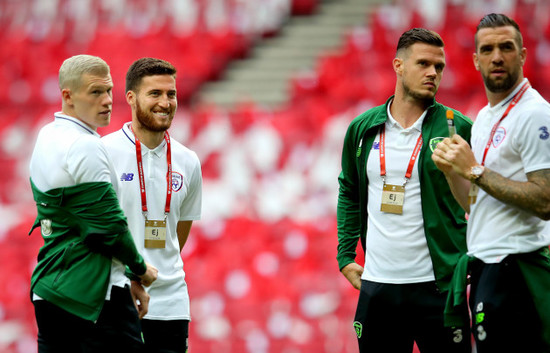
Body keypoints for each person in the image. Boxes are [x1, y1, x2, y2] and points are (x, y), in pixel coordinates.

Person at [336, 28, 472, 353]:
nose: (433, 73)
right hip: (378, 288)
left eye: (439, 67)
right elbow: (349, 190)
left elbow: (480, 198)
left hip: (438, 288)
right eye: (424, 63)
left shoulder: (458, 126)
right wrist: (344, 255)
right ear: (398, 65)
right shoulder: (362, 127)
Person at [432, 13, 550, 353]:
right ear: (476, 59)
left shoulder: (535, 115)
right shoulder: (484, 117)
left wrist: (475, 171)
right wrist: (452, 172)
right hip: (488, 267)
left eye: (506, 47)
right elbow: (475, 203)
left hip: (515, 271)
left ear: (523, 55)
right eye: (487, 49)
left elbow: (545, 201)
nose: (497, 56)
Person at [28, 54, 158, 353]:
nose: (108, 100)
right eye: (96, 92)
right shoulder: (85, 146)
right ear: (68, 96)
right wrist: (139, 270)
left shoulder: (47, 136)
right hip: (91, 298)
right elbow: (108, 228)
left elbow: (79, 219)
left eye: (109, 90)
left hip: (49, 291)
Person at [102, 57, 202, 353]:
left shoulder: (188, 160)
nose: (165, 102)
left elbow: (179, 231)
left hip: (172, 303)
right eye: (155, 93)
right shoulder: (103, 152)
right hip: (115, 298)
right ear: (131, 98)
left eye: (170, 94)